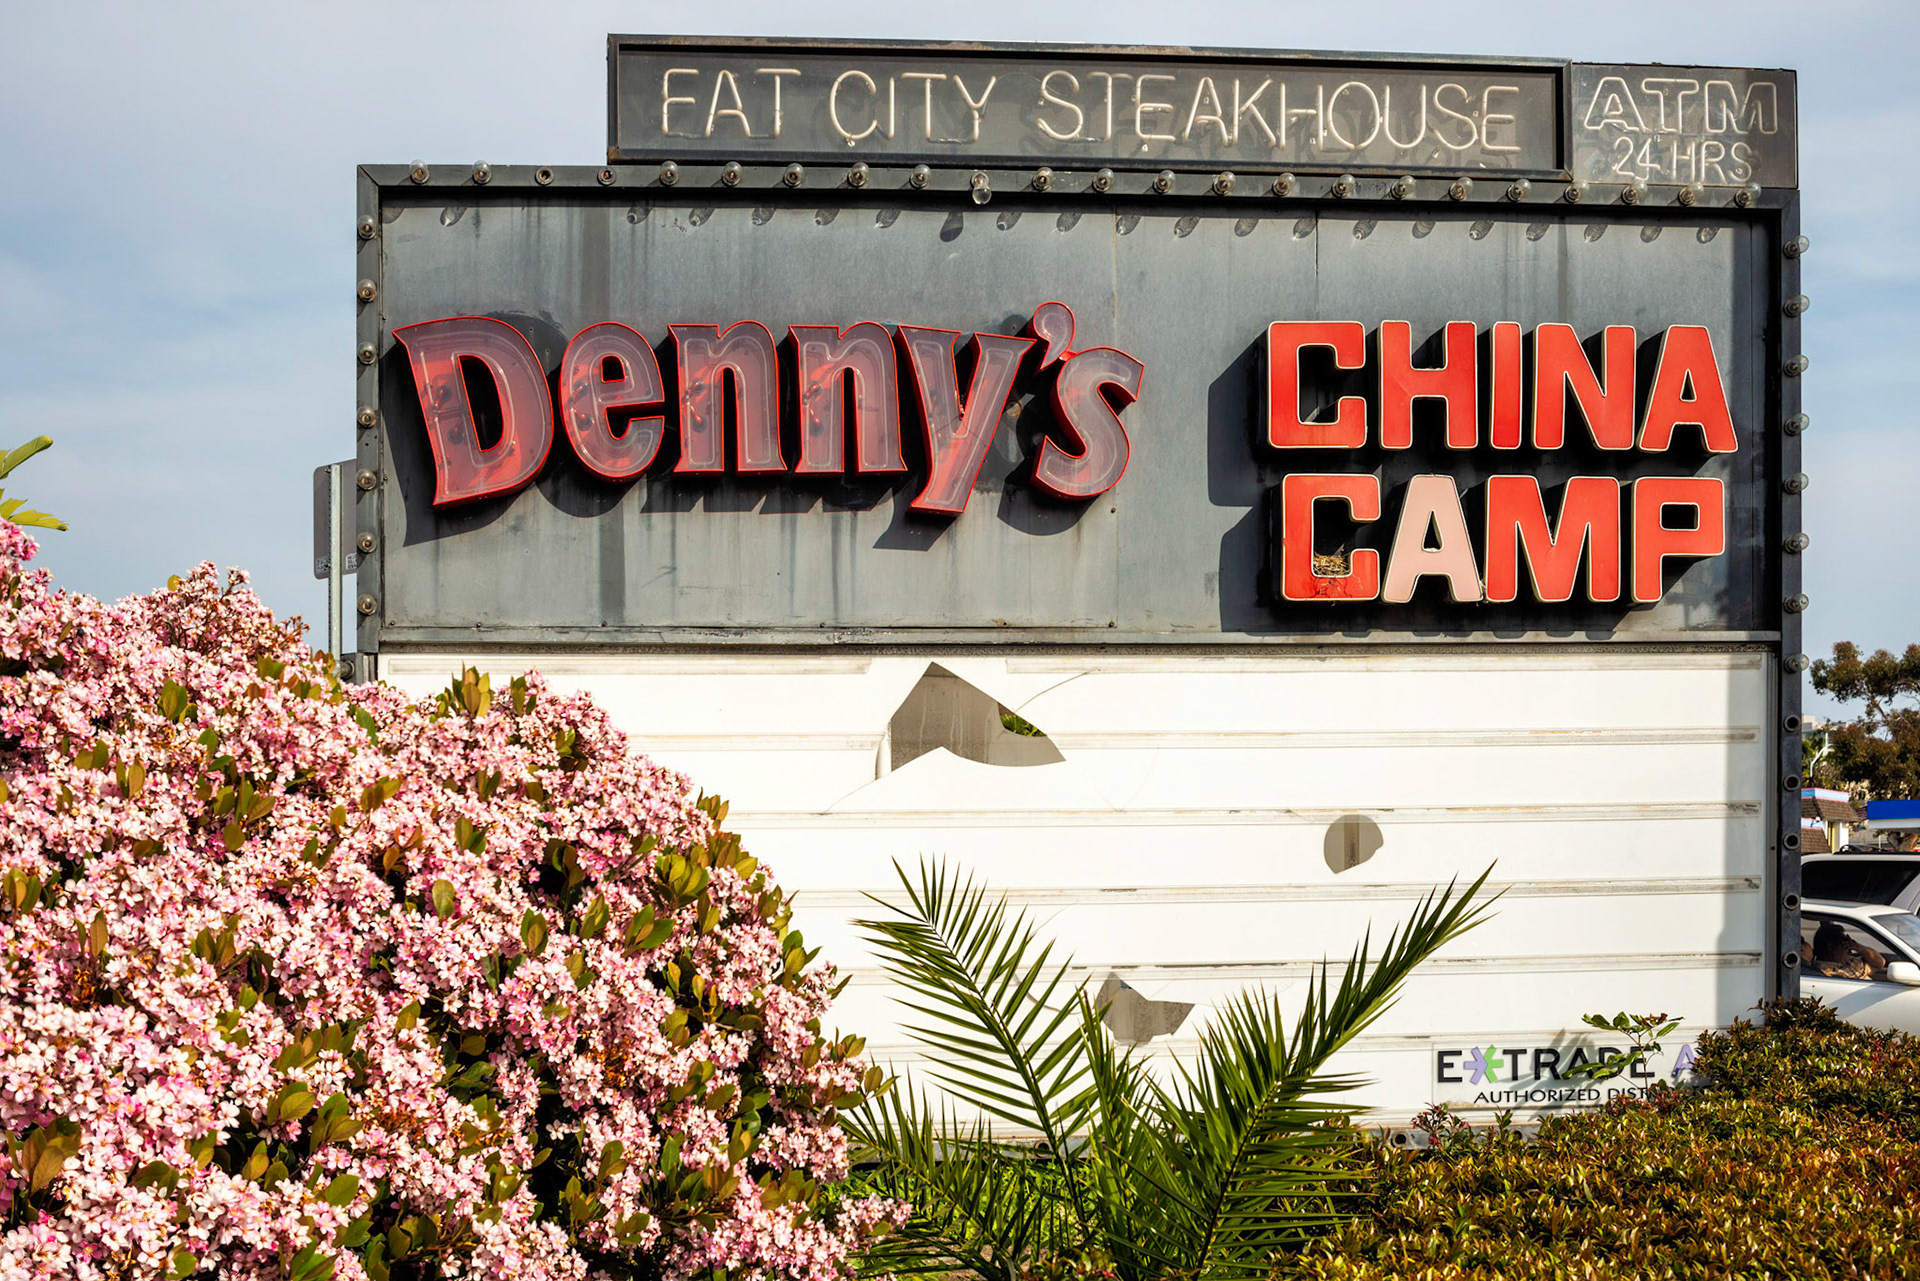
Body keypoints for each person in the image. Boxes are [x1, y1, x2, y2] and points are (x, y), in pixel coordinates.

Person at [1812, 920, 1886, 980]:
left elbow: (1880, 964)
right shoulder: (1824, 970)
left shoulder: (1850, 961)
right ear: (1831, 946)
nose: (1849, 947)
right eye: (1845, 942)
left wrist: (1860, 948)